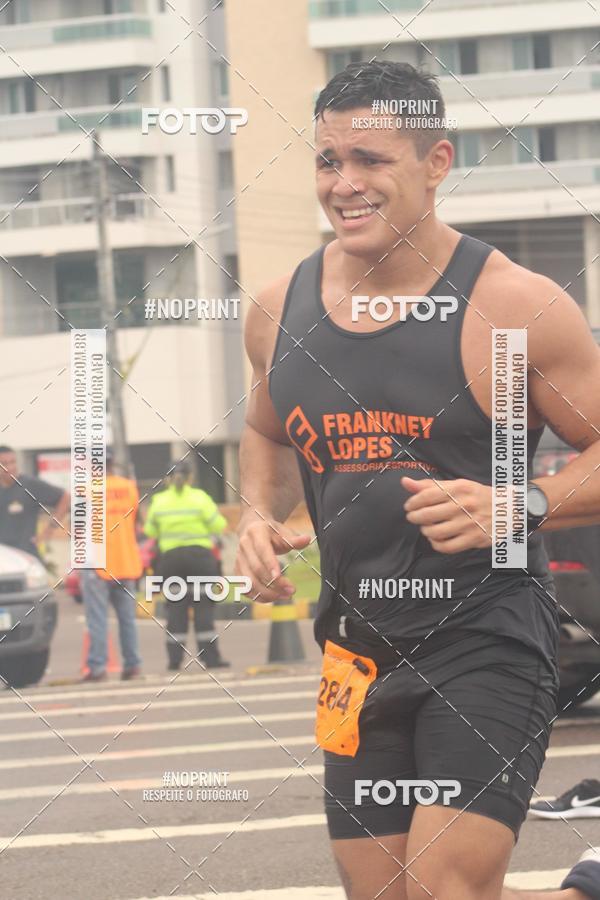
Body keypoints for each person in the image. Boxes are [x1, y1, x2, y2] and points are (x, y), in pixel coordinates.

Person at [235, 60, 600, 900]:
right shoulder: (275, 309)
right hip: (354, 652)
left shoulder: (515, 306)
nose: (344, 183)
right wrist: (258, 513)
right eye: (329, 161)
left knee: (445, 893)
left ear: (437, 162)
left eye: (370, 159)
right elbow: (264, 433)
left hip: (487, 637)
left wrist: (521, 502)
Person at [144, 459, 230, 670]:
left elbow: (150, 531)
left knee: (175, 611)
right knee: (203, 611)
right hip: (200, 560)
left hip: (171, 561)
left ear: (167, 480)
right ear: (190, 478)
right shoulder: (200, 498)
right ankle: (211, 659)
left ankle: (174, 661)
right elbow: (219, 525)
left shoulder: (159, 501)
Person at [80, 449, 143, 682]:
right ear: (112, 463)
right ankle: (133, 665)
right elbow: (136, 522)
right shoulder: (129, 488)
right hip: (126, 562)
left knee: (97, 618)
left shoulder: (86, 490)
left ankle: (97, 668)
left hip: (97, 564)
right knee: (127, 619)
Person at [0, 445, 69, 560]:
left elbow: (65, 497)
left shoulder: (30, 485)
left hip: (27, 557)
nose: (10, 467)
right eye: (4, 464)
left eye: (12, 462)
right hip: (3, 560)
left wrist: (49, 529)